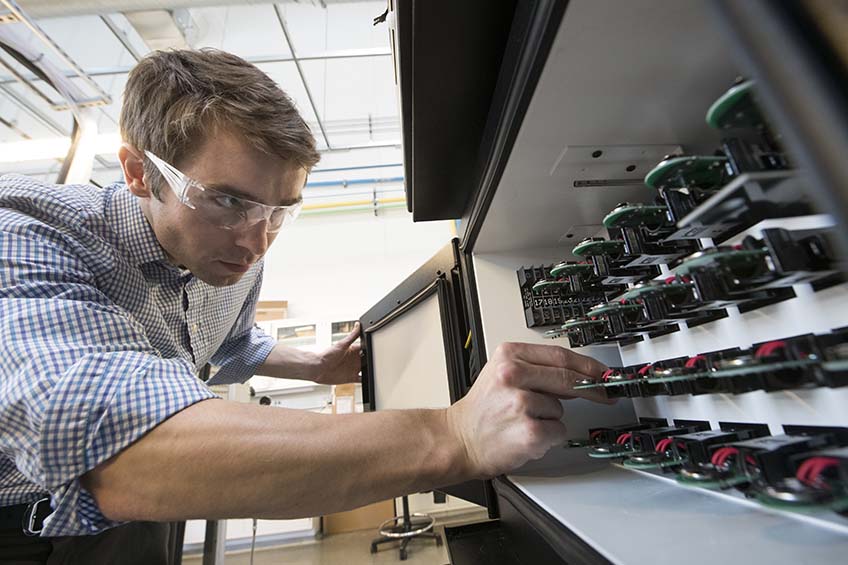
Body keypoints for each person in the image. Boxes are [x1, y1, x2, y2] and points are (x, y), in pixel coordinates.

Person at [0, 49, 609, 564]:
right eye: (227, 202)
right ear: (138, 172)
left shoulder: (239, 253)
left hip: (147, 512)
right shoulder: (25, 231)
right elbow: (117, 447)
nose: (255, 241)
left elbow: (231, 345)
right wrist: (454, 436)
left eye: (280, 210)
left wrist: (314, 366)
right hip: (27, 515)